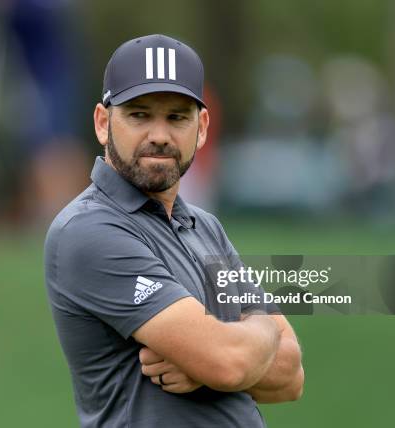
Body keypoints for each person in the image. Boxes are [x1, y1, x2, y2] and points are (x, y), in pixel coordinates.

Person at [44, 34, 304, 428]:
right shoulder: (87, 230)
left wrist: (209, 363)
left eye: (177, 117)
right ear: (102, 123)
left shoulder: (205, 226)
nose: (160, 135)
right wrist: (260, 329)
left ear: (201, 128)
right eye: (139, 114)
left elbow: (291, 376)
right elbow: (229, 362)